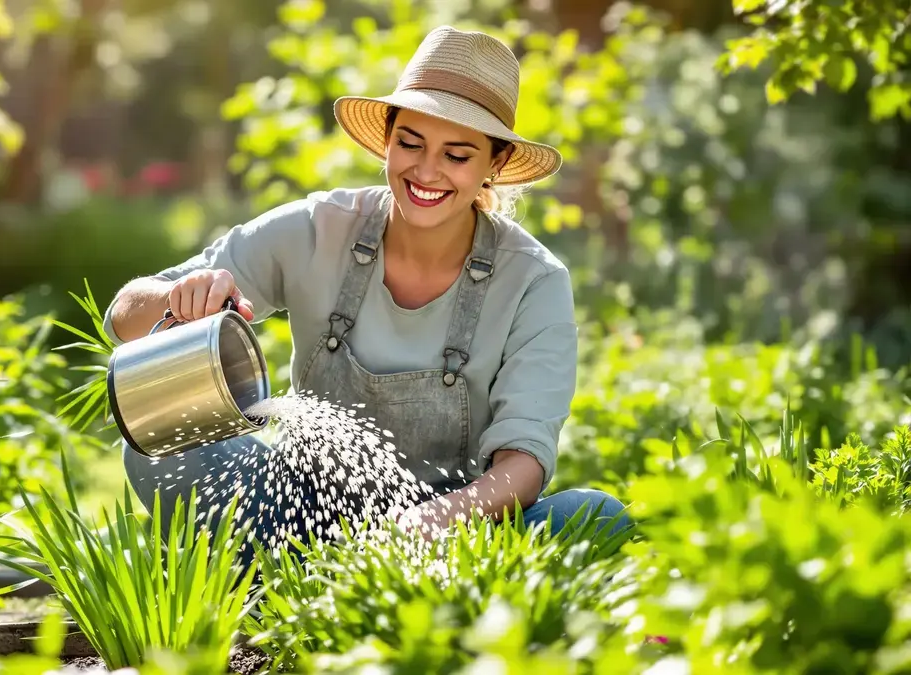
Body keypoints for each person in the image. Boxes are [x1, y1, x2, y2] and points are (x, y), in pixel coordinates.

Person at [104, 26, 629, 559]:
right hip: (293, 511)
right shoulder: (319, 228)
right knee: (160, 447)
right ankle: (296, 575)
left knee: (596, 517)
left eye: (457, 155)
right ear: (386, 137)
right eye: (410, 143)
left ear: (494, 164)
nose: (426, 171)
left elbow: (525, 463)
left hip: (456, 534)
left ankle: (280, 585)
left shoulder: (533, 281)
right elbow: (124, 314)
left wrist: (425, 528)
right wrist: (182, 300)